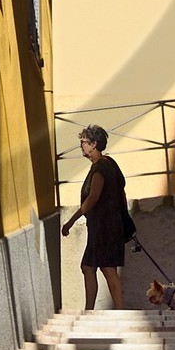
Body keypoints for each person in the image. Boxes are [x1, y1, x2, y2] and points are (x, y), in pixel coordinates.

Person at [61, 123, 128, 311]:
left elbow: (93, 198)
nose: (81, 146)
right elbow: (121, 193)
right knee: (88, 267)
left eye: (83, 142)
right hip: (102, 227)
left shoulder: (100, 168)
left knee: (108, 269)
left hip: (105, 228)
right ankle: (89, 310)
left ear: (94, 144)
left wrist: (71, 222)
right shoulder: (108, 164)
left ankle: (121, 312)